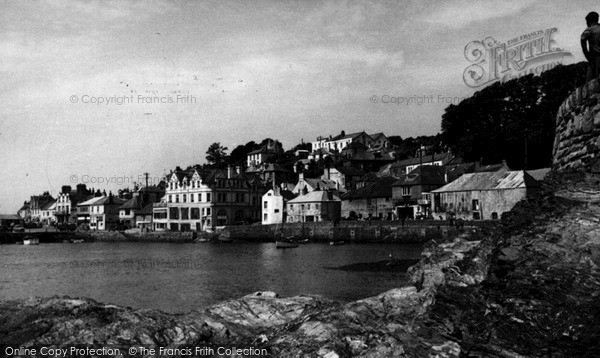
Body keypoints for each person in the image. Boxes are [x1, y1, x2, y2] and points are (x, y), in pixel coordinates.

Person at [581, 12, 600, 80]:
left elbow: (582, 39)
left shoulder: (590, 29)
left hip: (594, 60)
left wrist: (587, 55)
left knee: (590, 85)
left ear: (590, 20)